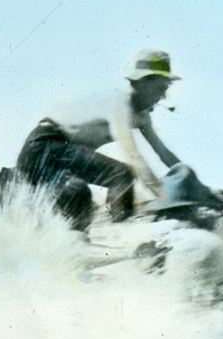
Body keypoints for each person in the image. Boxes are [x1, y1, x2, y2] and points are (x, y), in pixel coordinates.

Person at [16, 48, 183, 224]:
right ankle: (120, 230)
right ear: (141, 82)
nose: (163, 96)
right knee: (111, 178)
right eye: (160, 88)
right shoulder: (120, 104)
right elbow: (132, 154)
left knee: (96, 186)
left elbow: (163, 152)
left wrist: (191, 182)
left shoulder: (142, 117)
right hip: (43, 147)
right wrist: (162, 194)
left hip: (62, 156)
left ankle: (115, 226)